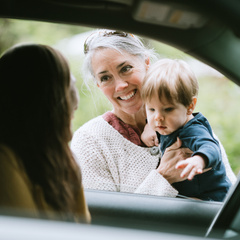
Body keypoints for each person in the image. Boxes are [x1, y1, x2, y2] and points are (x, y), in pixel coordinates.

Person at [71, 29, 236, 199]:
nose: (120, 85)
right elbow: (103, 219)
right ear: (98, 85)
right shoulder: (89, 142)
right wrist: (163, 176)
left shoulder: (185, 121)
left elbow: (228, 192)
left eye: (126, 68)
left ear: (146, 63)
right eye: (105, 78)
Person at [0, 43, 90, 222]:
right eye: (66, 87)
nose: (75, 102)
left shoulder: (61, 158)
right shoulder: (5, 162)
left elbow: (81, 227)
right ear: (42, 102)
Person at [141, 58, 232, 201]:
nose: (157, 118)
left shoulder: (193, 130)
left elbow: (211, 147)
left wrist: (199, 160)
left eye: (168, 109)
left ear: (190, 106)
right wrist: (148, 127)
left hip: (211, 199)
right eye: (151, 109)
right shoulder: (166, 123)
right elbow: (153, 119)